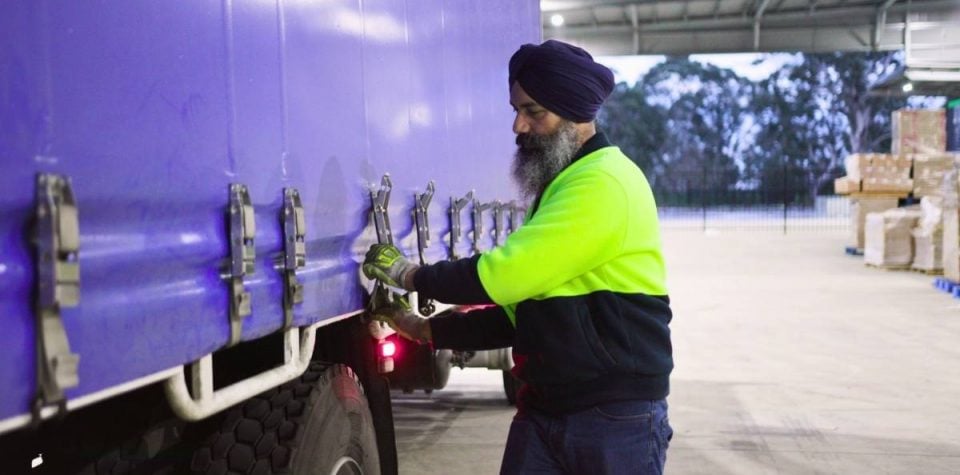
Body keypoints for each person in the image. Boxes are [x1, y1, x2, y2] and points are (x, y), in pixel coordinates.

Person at [363, 39, 673, 475]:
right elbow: (516, 315)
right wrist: (419, 328)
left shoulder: (604, 183)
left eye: (534, 112)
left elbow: (503, 274)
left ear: (575, 115)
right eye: (516, 110)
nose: (518, 126)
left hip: (613, 415)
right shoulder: (561, 186)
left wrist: (409, 274)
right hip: (547, 409)